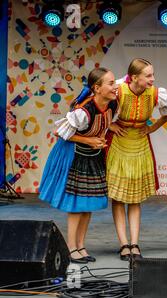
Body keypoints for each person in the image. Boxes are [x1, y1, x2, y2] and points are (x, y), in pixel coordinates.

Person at [39, 67, 119, 264]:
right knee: (76, 205)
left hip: (93, 156)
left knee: (87, 204)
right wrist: (90, 141)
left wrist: (101, 135)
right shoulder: (83, 110)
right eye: (110, 83)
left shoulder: (112, 104)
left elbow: (104, 122)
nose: (115, 86)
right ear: (97, 88)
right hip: (75, 155)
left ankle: (81, 246)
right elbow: (60, 132)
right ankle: (71, 247)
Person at [106, 58, 167, 261]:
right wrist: (110, 125)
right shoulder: (119, 91)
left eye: (153, 75)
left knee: (135, 198)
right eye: (148, 75)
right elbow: (96, 107)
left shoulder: (155, 94)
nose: (153, 79)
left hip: (140, 143)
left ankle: (135, 243)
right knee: (119, 197)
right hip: (119, 143)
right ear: (135, 77)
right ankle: (123, 244)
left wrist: (153, 127)